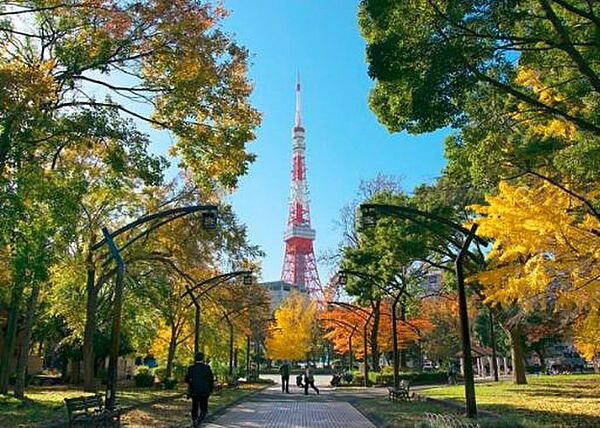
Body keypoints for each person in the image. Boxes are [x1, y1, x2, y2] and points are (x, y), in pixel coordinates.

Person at [185, 352, 214, 426]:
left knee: (195, 407)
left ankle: (195, 420)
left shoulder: (191, 368)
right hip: (204, 390)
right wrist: (210, 389)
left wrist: (192, 383)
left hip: (194, 390)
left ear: (195, 359)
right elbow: (211, 379)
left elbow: (186, 379)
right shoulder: (207, 368)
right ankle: (199, 420)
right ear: (203, 359)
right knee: (204, 409)